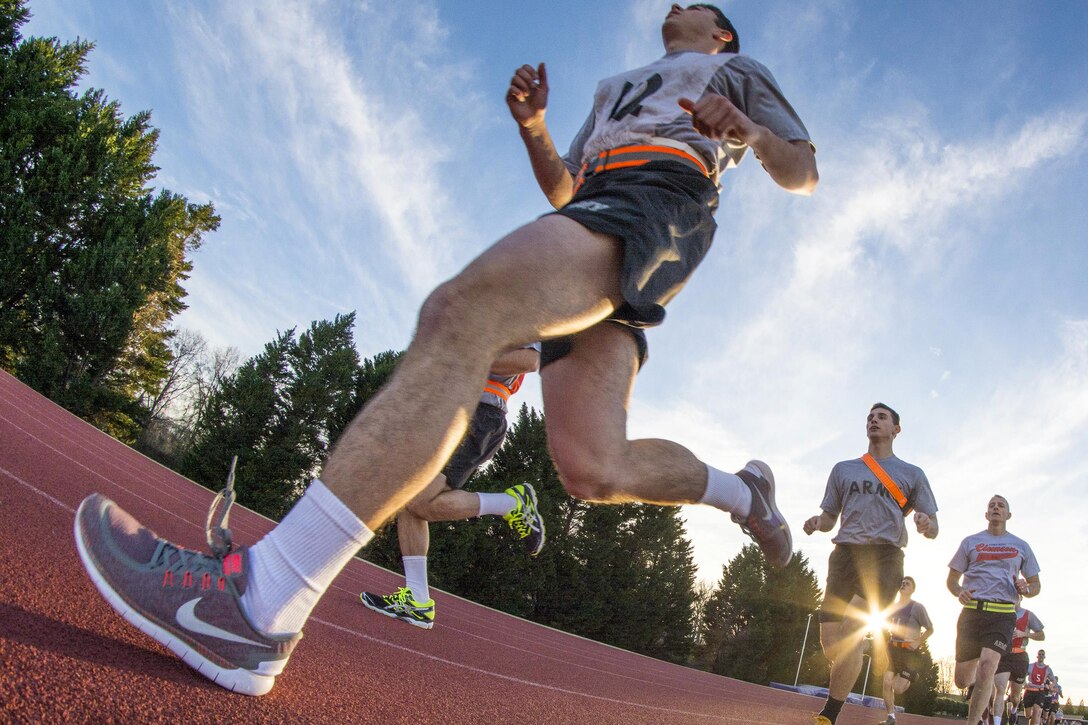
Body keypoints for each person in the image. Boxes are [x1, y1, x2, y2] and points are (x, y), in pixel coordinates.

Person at [73, 3, 818, 697]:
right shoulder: (615, 86)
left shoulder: (736, 73)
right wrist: (534, 129)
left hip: (663, 199)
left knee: (463, 310)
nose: (674, 4)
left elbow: (801, 170)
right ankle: (743, 493)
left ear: (721, 32)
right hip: (599, 209)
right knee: (595, 466)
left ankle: (262, 600)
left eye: (696, 2)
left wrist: (747, 133)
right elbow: (568, 189)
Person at [360, 345, 542, 629]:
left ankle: (511, 504)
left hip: (476, 414)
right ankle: (418, 601)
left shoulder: (530, 309)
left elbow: (531, 360)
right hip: (451, 410)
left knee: (419, 500)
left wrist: (467, 351)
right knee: (410, 500)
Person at [803, 403, 939, 725]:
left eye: (881, 417)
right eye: (870, 417)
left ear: (896, 430)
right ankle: (852, 662)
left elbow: (933, 527)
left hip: (885, 556)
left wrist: (924, 524)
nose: (873, 421)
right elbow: (829, 516)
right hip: (845, 556)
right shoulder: (843, 469)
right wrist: (816, 522)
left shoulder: (912, 474)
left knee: (853, 631)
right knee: (832, 646)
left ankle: (828, 716)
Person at [947, 495, 1042, 725]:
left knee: (988, 666)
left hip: (1001, 614)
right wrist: (958, 591)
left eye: (1001, 506)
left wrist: (1026, 589)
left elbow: (1036, 585)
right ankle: (981, 691)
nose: (996, 508)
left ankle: (973, 722)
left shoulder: (1021, 546)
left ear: (1008, 515)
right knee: (961, 680)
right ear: (986, 515)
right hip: (972, 612)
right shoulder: (970, 542)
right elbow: (951, 580)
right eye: (992, 506)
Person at [880, 576, 934, 725]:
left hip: (909, 653)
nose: (903, 585)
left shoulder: (917, 607)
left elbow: (930, 629)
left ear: (913, 589)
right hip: (893, 649)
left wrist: (918, 642)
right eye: (902, 583)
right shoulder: (893, 607)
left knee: (897, 689)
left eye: (907, 584)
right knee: (886, 682)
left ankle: (912, 676)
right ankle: (891, 717)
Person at [991, 598, 1044, 725]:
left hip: (1020, 657)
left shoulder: (1028, 615)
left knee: (1015, 696)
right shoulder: (1000, 613)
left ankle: (1014, 709)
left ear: (1021, 597)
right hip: (1003, 654)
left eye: (1016, 595)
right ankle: (997, 722)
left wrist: (1025, 634)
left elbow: (1041, 635)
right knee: (1000, 689)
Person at [1023, 650, 1054, 725]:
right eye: (1039, 654)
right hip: (1029, 690)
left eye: (1042, 654)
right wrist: (1024, 683)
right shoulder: (1030, 666)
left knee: (1036, 711)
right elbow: (1023, 674)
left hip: (1040, 691)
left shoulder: (1047, 669)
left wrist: (1051, 686)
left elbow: (1053, 680)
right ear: (1037, 656)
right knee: (1027, 715)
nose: (1041, 656)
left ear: (1044, 657)